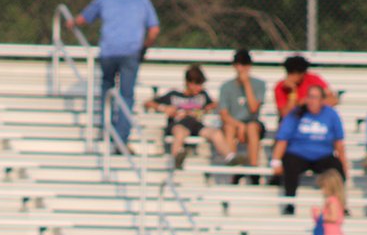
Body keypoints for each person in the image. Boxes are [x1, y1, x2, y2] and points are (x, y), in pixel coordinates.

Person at [70, 0, 160, 149]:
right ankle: (121, 138)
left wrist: (71, 22)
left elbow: (82, 19)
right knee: (126, 95)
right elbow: (154, 30)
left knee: (107, 89)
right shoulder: (142, 0)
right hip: (130, 53)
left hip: (109, 52)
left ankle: (107, 130)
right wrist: (144, 48)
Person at [144, 64, 237, 171]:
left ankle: (230, 157)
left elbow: (215, 103)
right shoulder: (173, 95)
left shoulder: (202, 95)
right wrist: (164, 108)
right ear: (188, 83)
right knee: (180, 132)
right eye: (197, 84)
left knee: (216, 133)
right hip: (179, 124)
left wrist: (204, 110)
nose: (199, 88)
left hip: (196, 125)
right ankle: (176, 158)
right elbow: (148, 103)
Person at [271, 86, 348, 206]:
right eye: (309, 97)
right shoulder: (297, 112)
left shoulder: (331, 115)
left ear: (322, 100)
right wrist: (275, 161)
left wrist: (344, 164)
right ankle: (289, 203)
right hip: (298, 154)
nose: (311, 101)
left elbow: (339, 143)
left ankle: (339, 205)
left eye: (315, 98)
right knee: (289, 163)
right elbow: (282, 139)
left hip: (323, 155)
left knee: (337, 168)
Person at [218, 49, 267, 179]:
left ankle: (253, 169)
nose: (241, 69)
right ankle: (233, 168)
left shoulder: (259, 84)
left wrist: (246, 84)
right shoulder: (226, 87)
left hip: (252, 123)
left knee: (251, 127)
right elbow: (223, 114)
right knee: (229, 128)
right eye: (238, 65)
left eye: (244, 65)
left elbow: (253, 109)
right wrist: (239, 125)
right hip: (234, 124)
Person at [274, 56, 338, 121]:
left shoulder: (313, 79)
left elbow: (333, 100)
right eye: (290, 73)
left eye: (297, 73)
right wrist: (292, 92)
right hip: (294, 123)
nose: (292, 77)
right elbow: (286, 114)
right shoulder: (280, 87)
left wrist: (309, 103)